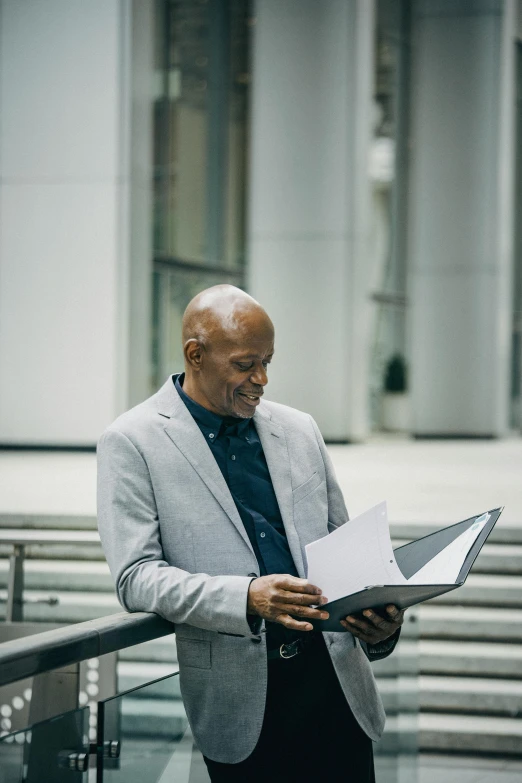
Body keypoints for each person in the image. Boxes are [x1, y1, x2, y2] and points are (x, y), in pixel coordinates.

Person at [97, 285, 404, 782]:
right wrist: (246, 597)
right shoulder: (131, 442)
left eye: (267, 362)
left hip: (339, 694)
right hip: (241, 711)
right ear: (196, 355)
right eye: (245, 364)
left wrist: (380, 620)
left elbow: (343, 545)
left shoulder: (300, 428)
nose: (261, 379)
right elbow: (135, 577)